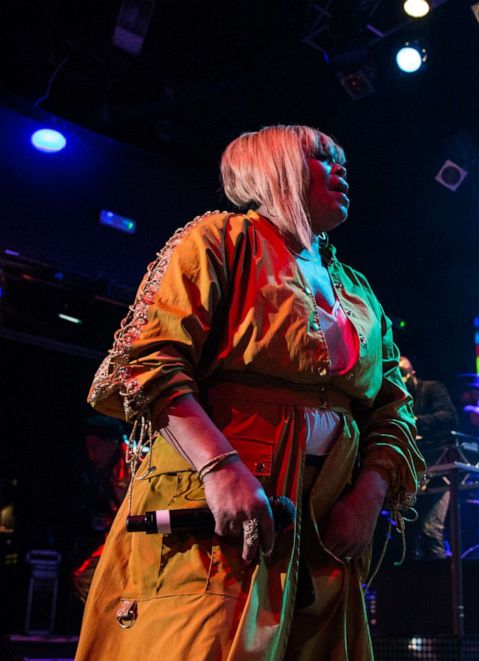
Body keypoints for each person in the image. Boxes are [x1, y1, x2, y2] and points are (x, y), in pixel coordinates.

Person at [76, 125, 425, 660]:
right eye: (322, 157)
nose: (342, 168)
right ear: (273, 167)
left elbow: (393, 408)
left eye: (344, 160)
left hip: (326, 525)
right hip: (216, 508)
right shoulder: (218, 240)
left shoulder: (356, 287)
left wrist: (369, 494)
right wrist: (220, 469)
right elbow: (151, 362)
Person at [398, 356, 457, 559]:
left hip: (439, 468)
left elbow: (450, 417)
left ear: (412, 373)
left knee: (431, 531)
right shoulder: (398, 398)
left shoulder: (432, 389)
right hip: (413, 470)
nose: (402, 380)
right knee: (408, 536)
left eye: (404, 374)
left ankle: (445, 587)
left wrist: (415, 421)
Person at [71, 416, 129, 601]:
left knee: (87, 578)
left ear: (111, 443)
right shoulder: (108, 471)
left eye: (94, 448)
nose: (91, 456)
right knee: (84, 577)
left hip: (137, 543)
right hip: (120, 540)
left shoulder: (134, 468)